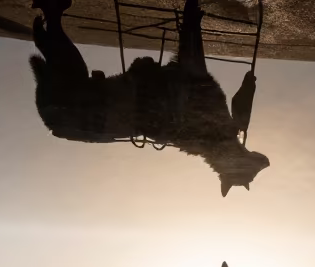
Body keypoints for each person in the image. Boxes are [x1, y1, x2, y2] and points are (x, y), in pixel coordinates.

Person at [29, 0, 268, 196]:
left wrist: (191, 22)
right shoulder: (205, 134)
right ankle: (51, 17)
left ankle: (52, 16)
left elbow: (190, 69)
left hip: (70, 114)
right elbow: (194, 76)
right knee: (69, 72)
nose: (255, 160)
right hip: (67, 118)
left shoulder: (210, 127)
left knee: (70, 73)